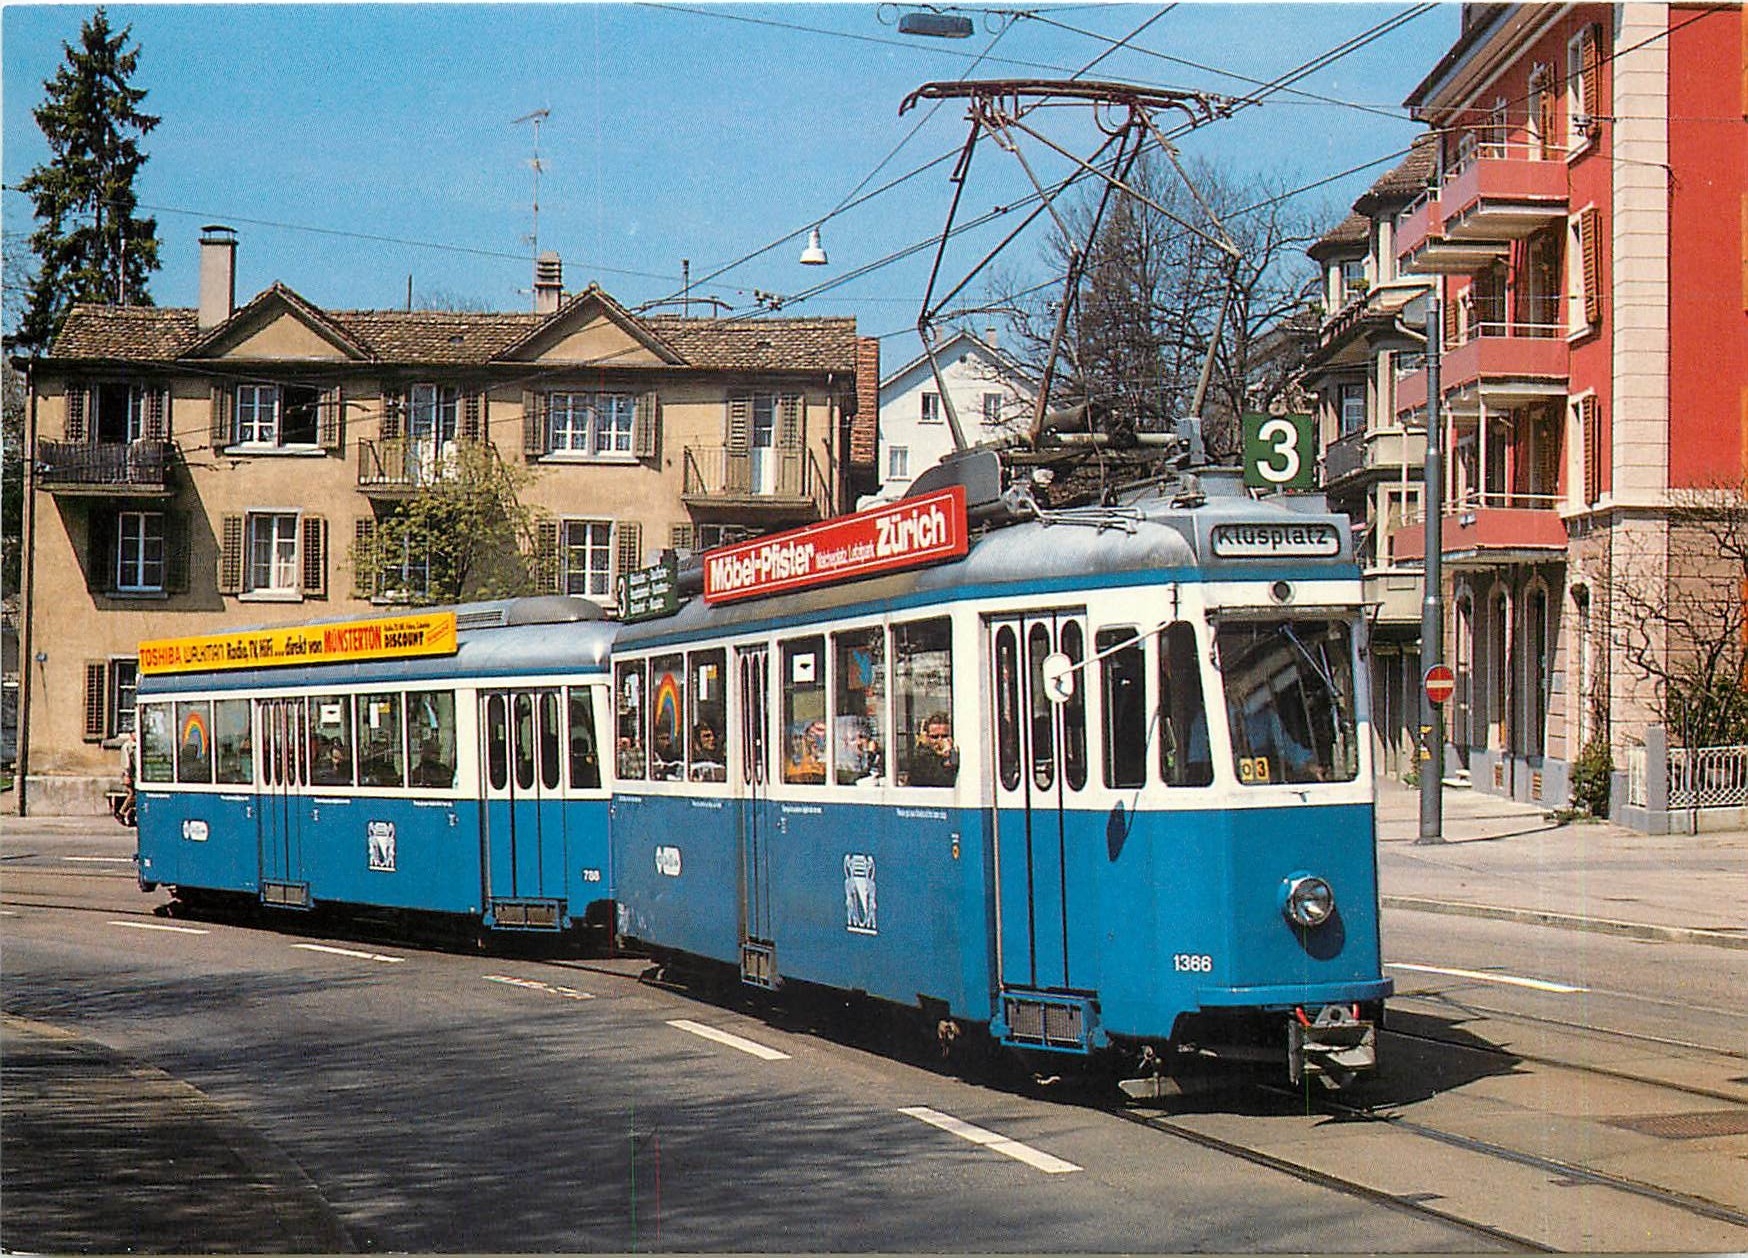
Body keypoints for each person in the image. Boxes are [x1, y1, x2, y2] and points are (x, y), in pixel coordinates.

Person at [908, 712, 959, 787]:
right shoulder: (921, 761)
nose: (940, 740)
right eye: (935, 737)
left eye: (944, 736)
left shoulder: (954, 754)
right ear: (928, 738)